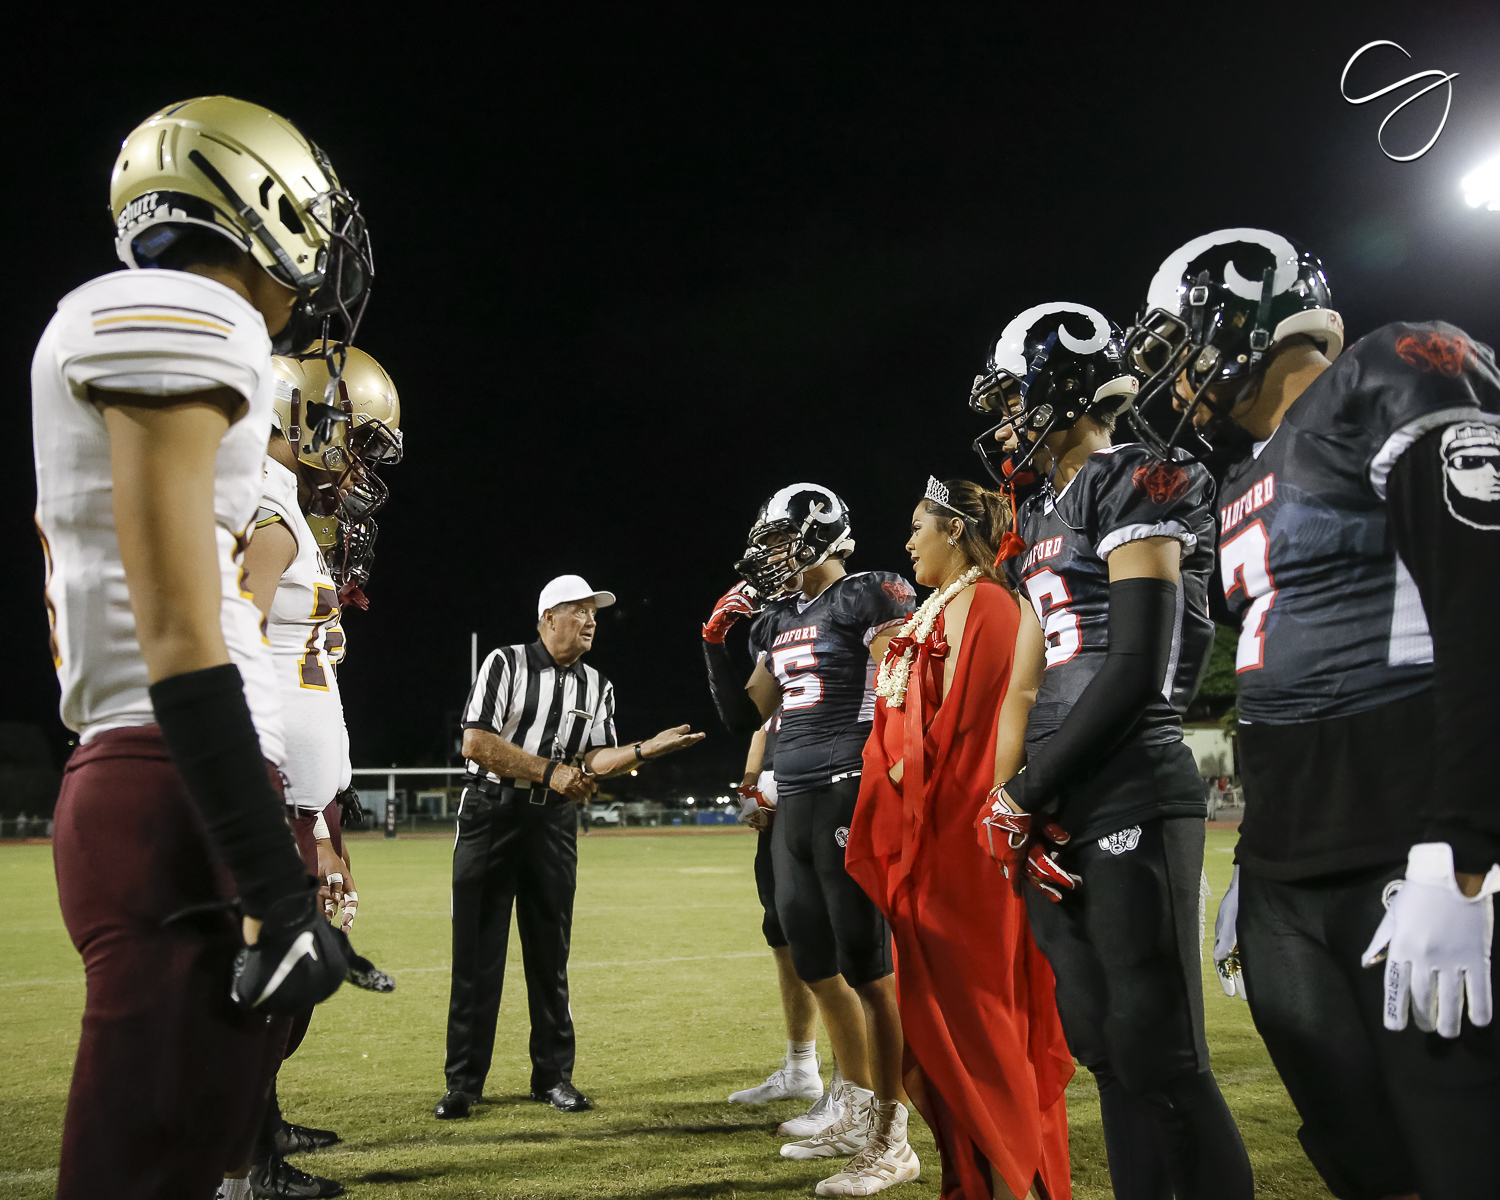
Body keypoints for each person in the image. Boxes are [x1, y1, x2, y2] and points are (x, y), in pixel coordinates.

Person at [32, 95, 381, 1200]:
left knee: (173, 1162)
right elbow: (180, 620)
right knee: (137, 1173)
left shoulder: (138, 315)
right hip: (174, 767)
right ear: (264, 203)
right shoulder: (190, 312)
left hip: (165, 764)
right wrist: (271, 886)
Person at [1129, 228, 1500, 1199]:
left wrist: (1463, 848)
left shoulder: (1393, 369)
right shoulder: (1245, 475)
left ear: (1237, 320)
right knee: (1358, 1158)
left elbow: (1482, 596)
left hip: (1408, 845)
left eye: (1178, 350)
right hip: (1291, 870)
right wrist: (1255, 862)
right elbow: (1277, 674)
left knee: (1462, 1149)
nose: (1176, 386)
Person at [971, 303, 1253, 1199]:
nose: (1006, 422)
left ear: (1062, 386)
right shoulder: (1044, 509)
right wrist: (1015, 791)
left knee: (1158, 1047)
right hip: (1060, 793)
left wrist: (1029, 790)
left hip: (1130, 775)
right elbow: (1029, 675)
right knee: (1099, 1043)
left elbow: (1136, 667)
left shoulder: (1136, 474)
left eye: (1015, 397)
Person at [846, 476, 1074, 1200]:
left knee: (981, 1017)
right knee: (942, 1024)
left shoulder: (995, 606)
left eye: (919, 527)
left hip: (961, 851)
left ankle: (1016, 1184)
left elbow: (977, 741)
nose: (908, 542)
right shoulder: (938, 609)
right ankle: (974, 1179)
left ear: (953, 530)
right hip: (926, 846)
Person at [700, 484, 916, 1195]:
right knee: (814, 956)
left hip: (850, 786)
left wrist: (899, 784)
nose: (767, 559)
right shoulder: (777, 619)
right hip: (792, 800)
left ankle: (894, 1130)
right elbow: (746, 716)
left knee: (868, 966)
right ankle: (853, 1104)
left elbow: (902, 691)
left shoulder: (866, 594)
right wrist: (714, 643)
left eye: (777, 542)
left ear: (821, 532)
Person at [437, 575, 705, 1118]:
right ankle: (464, 1083)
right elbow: (476, 741)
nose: (591, 622)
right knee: (477, 955)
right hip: (491, 812)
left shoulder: (597, 685)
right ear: (548, 617)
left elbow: (596, 758)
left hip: (552, 824)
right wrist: (550, 772)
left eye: (595, 615)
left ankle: (553, 1076)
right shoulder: (505, 663)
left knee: (549, 954)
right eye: (580, 611)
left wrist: (642, 749)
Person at [238, 345, 403, 1197]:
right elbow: (235, 648)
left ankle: (260, 1121)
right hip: (280, 788)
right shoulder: (264, 505)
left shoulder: (287, 507)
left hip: (303, 784)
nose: (361, 467)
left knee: (299, 972)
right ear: (301, 416)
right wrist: (284, 805)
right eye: (357, 442)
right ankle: (249, 1157)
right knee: (279, 973)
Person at [725, 713, 833, 1116]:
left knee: (840, 939)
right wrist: (750, 785)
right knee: (785, 933)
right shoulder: (775, 657)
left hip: (830, 785)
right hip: (783, 796)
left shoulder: (852, 656)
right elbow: (761, 720)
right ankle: (802, 1066)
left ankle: (854, 1087)